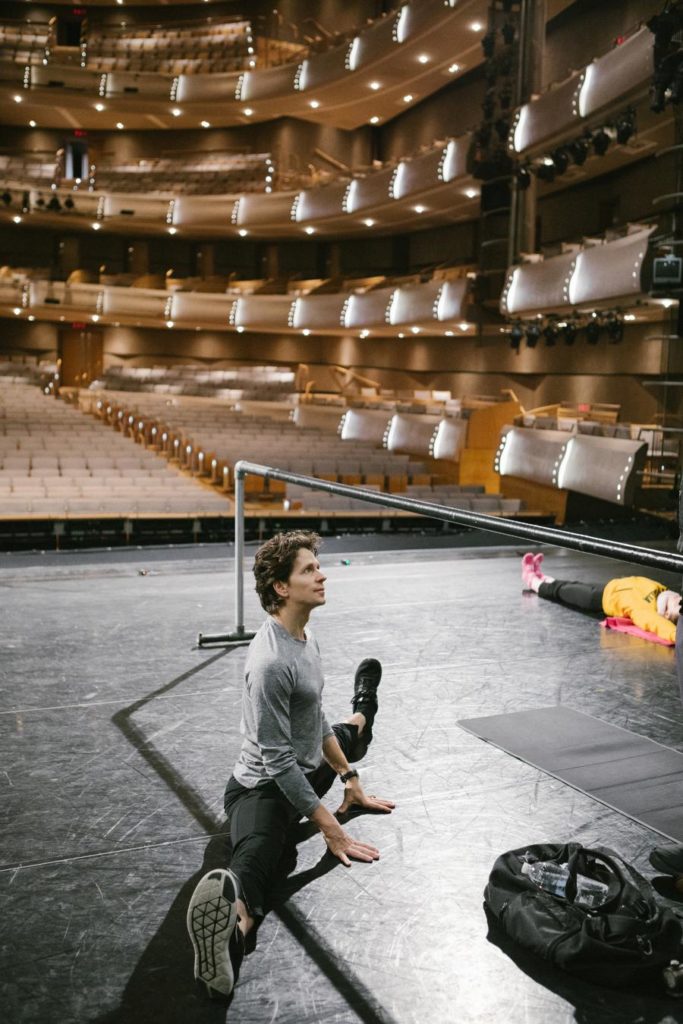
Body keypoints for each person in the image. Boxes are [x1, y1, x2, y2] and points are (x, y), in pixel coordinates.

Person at [186, 530, 395, 1001]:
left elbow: (314, 716)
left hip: (305, 763)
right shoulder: (268, 663)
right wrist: (331, 829)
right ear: (282, 587)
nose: (321, 574)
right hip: (262, 787)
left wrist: (350, 780)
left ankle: (365, 705)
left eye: (317, 567)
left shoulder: (305, 636)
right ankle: (232, 932)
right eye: (309, 569)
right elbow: (278, 764)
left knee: (350, 733)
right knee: (263, 854)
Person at [521, 552, 681, 645]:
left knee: (563, 591)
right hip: (607, 587)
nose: (679, 599)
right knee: (570, 585)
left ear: (667, 614)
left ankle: (531, 578)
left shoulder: (646, 611)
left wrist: (677, 635)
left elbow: (660, 627)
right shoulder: (661, 590)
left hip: (596, 600)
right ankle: (541, 576)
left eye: (679, 605)